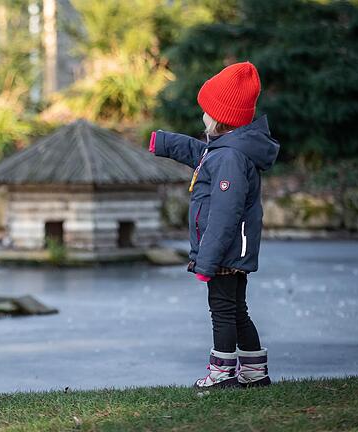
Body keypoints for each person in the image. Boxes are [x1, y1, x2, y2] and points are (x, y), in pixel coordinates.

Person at [149, 62, 279, 388]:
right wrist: (164, 143)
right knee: (237, 310)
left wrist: (207, 261)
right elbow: (200, 152)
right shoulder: (228, 149)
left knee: (221, 311)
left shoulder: (229, 159)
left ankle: (221, 375)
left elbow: (224, 215)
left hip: (224, 250)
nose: (202, 117)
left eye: (206, 112)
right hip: (232, 248)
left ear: (221, 119)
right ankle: (254, 371)